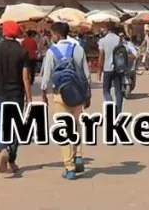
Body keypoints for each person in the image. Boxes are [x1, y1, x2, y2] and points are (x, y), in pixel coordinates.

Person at [40, 21, 90, 180]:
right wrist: (87, 95)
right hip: (77, 94)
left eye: (52, 34)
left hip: (60, 95)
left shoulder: (51, 52)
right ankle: (79, 156)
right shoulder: (78, 49)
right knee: (76, 127)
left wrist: (43, 94)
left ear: (56, 34)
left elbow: (46, 76)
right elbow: (86, 74)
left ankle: (69, 168)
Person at [0, 21, 32, 175]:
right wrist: (30, 98)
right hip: (17, 94)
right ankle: (11, 159)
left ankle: (3, 148)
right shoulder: (22, 51)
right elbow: (25, 78)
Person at [97, 24, 127, 113]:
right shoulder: (120, 40)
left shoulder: (102, 41)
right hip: (119, 68)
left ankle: (111, 105)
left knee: (106, 90)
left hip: (107, 69)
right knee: (118, 91)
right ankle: (118, 112)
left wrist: (99, 71)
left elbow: (101, 57)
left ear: (107, 30)